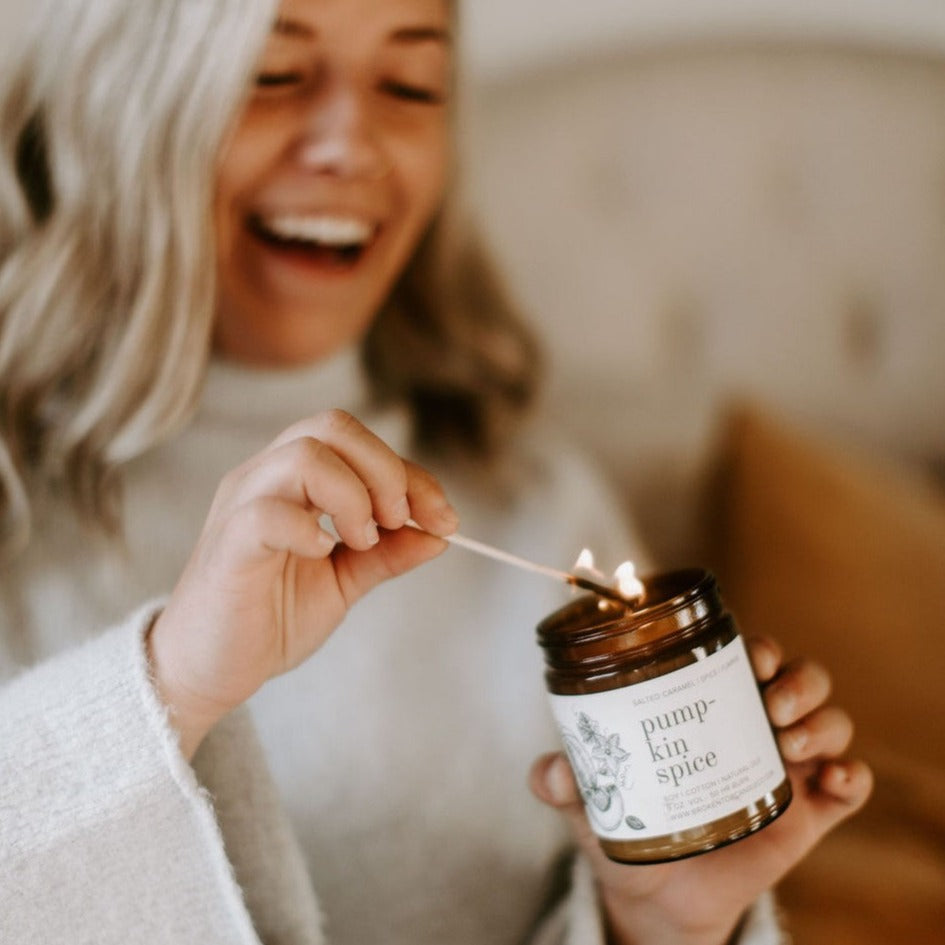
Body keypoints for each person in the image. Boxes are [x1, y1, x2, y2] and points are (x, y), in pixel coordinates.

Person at [0, 1, 872, 943]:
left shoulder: (537, 499)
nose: (352, 145)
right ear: (117, 101)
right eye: (273, 75)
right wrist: (172, 683)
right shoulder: (21, 511)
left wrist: (659, 921)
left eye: (409, 86)